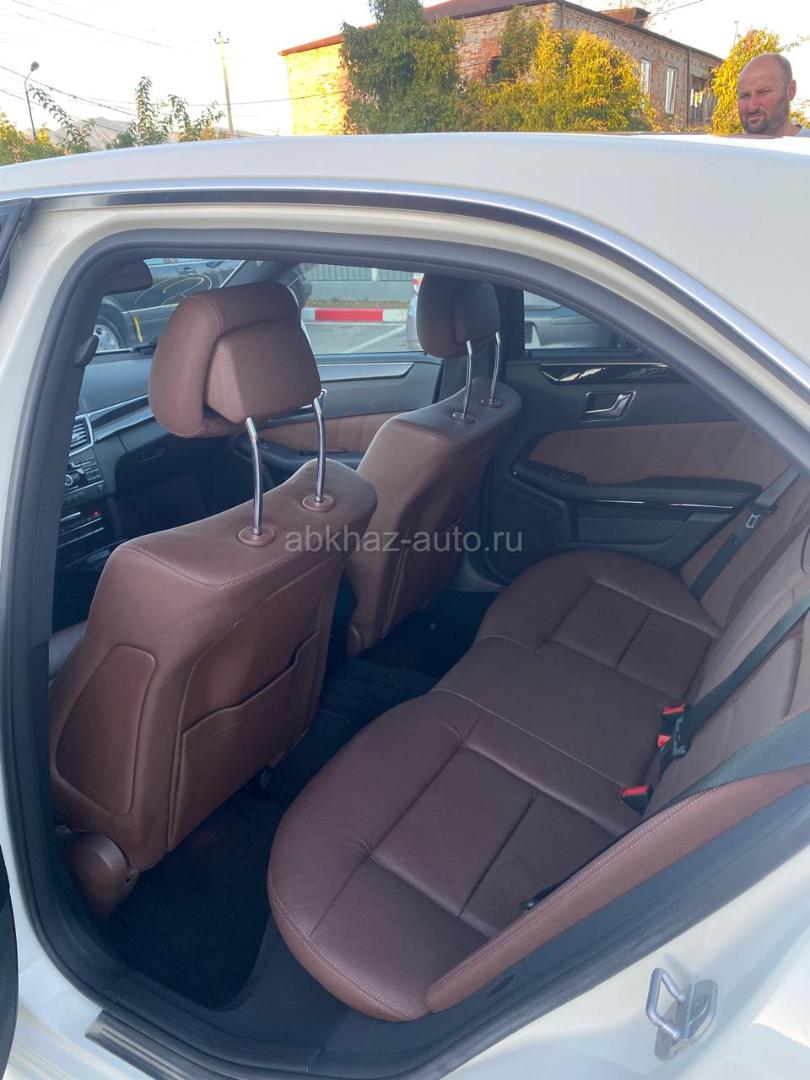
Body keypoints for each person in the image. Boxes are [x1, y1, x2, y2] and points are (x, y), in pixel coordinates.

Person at [737, 52, 810, 137]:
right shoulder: (728, 144)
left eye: (763, 92)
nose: (752, 107)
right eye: (745, 96)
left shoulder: (806, 143)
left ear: (790, 91)